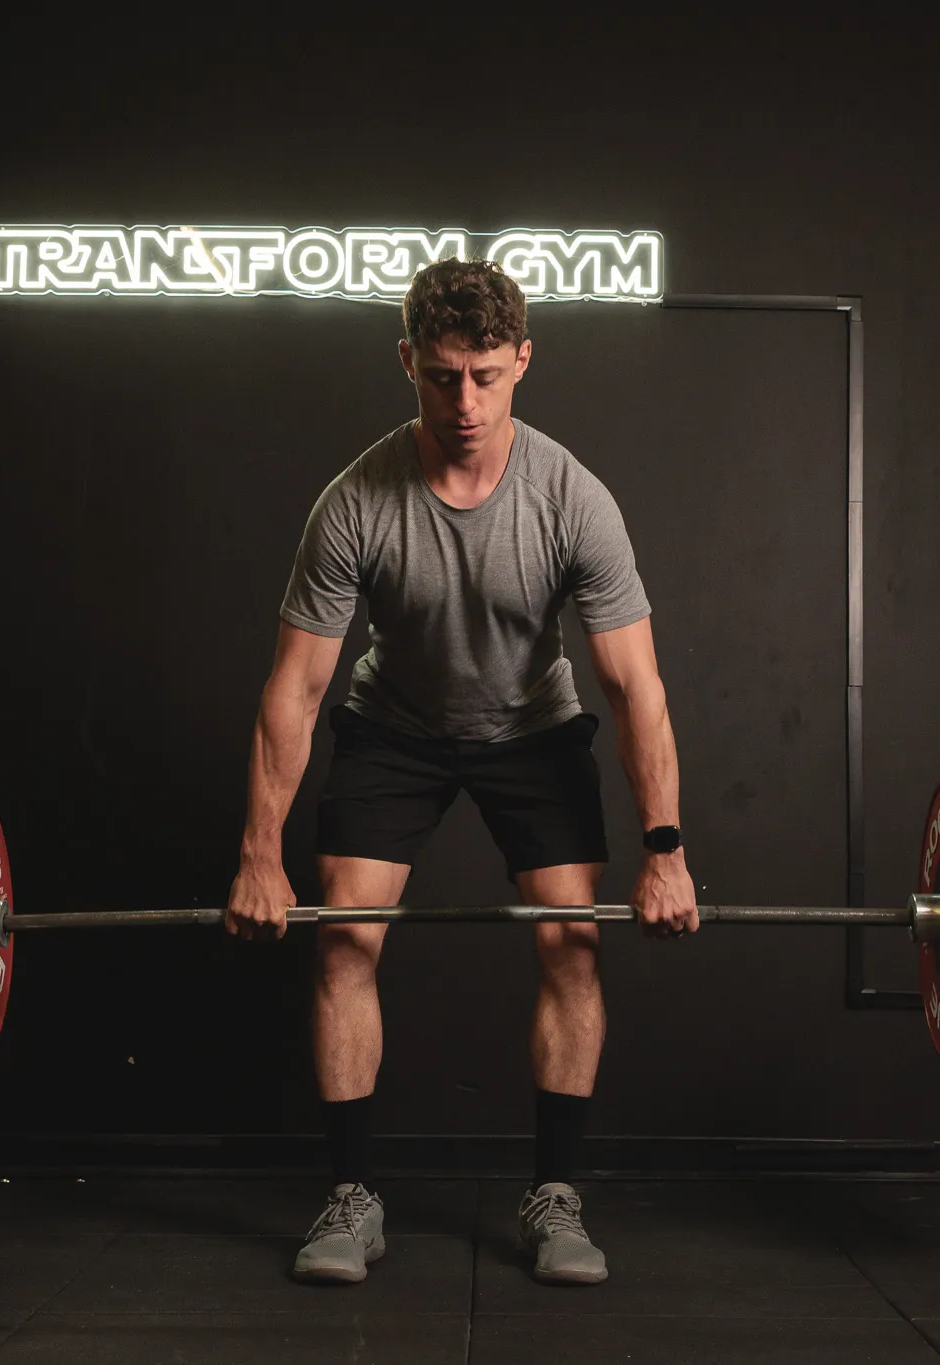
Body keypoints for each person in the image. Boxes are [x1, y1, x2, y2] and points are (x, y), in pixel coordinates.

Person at [226, 258, 698, 1286]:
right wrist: (258, 854)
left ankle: (556, 1195)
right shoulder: (355, 502)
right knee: (343, 937)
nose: (466, 401)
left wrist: (664, 850)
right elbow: (297, 692)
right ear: (407, 363)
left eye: (486, 373)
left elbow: (633, 690)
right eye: (443, 376)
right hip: (393, 726)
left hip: (532, 729)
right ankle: (350, 1198)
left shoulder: (574, 500)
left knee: (571, 945)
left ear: (522, 360)